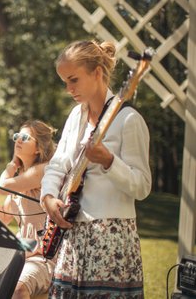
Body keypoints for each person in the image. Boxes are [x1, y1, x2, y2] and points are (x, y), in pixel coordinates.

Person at [40, 40, 151, 298]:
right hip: (73, 237)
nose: (68, 89)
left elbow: (143, 186)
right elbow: (58, 164)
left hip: (111, 238)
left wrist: (109, 161)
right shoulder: (76, 116)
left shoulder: (129, 120)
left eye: (73, 80)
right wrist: (47, 197)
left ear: (97, 73)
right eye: (65, 82)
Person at [0, 120, 56, 299]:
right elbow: (2, 218)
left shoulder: (43, 170)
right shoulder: (21, 179)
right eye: (17, 137)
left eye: (25, 137)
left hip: (43, 253)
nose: (18, 141)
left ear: (38, 148)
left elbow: (3, 186)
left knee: (17, 289)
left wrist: (10, 166)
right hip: (20, 249)